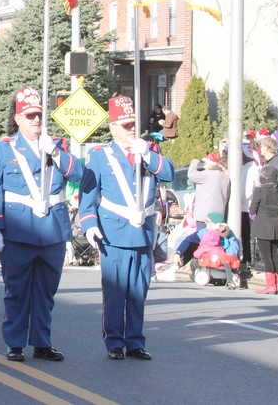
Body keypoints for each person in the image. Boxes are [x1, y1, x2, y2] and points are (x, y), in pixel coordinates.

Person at [0, 87, 83, 363]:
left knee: (46, 293)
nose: (36, 120)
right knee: (16, 291)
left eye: (39, 115)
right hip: (17, 231)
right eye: (30, 115)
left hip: (51, 231)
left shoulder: (56, 145)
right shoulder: (3, 149)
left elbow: (79, 174)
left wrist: (56, 154)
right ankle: (14, 342)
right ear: (18, 119)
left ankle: (41, 342)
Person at [80, 95, 175, 360]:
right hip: (114, 233)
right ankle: (114, 342)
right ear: (113, 127)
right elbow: (88, 196)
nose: (131, 129)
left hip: (143, 233)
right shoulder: (100, 156)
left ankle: (135, 341)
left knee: (137, 292)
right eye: (125, 125)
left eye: (133, 124)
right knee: (114, 293)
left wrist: (146, 153)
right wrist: (89, 224)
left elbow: (167, 174)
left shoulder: (147, 151)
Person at [250, 165, 278, 294]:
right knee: (275, 255)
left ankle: (270, 285)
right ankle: (277, 284)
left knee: (266, 257)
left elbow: (252, 210)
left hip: (262, 227)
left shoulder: (260, 191)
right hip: (277, 226)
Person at [187, 152, 229, 230]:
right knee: (216, 238)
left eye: (205, 163)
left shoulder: (206, 175)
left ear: (210, 165)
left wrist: (194, 163)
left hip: (204, 216)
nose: (203, 165)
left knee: (203, 238)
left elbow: (191, 175)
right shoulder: (225, 177)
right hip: (219, 214)